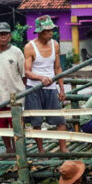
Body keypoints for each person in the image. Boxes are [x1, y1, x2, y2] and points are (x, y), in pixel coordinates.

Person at [24, 15, 68, 154]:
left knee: (60, 120)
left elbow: (57, 68)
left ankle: (63, 148)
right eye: (48, 30)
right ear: (40, 31)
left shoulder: (55, 45)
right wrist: (40, 78)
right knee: (36, 122)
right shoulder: (30, 47)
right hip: (34, 87)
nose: (51, 32)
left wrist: (61, 88)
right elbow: (27, 72)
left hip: (50, 87)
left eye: (51, 30)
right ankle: (41, 150)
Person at [0, 21, 25, 153]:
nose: (3, 36)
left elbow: (23, 74)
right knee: (1, 125)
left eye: (6, 34)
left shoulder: (17, 52)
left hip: (15, 95)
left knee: (17, 125)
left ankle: (18, 150)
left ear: (10, 36)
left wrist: (21, 92)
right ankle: (8, 149)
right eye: (0, 34)